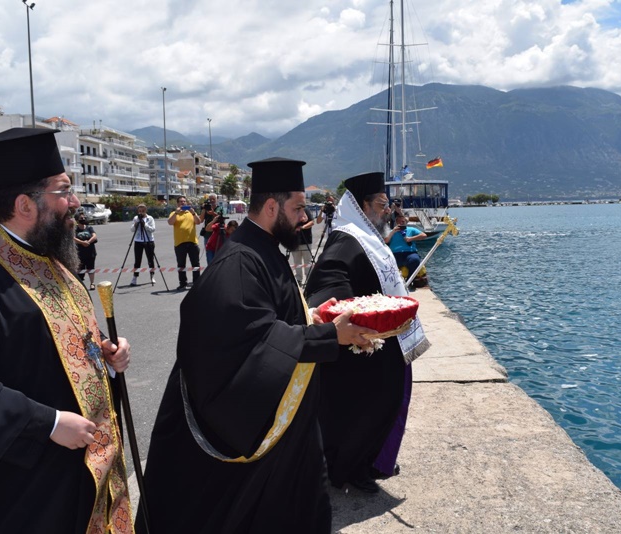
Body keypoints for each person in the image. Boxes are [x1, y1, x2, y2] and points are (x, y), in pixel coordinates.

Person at [136, 157, 375, 534]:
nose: (304, 218)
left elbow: (274, 319)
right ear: (270, 207)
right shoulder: (239, 263)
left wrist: (312, 317)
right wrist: (330, 335)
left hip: (288, 429)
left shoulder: (263, 248)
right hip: (249, 432)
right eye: (297, 208)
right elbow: (253, 340)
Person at [0, 127, 133, 533]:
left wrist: (104, 354)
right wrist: (47, 423)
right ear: (25, 204)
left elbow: (59, 343)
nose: (74, 203)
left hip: (85, 472)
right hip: (28, 486)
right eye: (64, 191)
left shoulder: (51, 260)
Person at [305, 172, 430, 494]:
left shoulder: (368, 235)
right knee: (363, 411)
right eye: (380, 204)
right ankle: (350, 470)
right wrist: (352, 310)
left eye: (387, 205)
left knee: (386, 405)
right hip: (362, 348)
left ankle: (375, 460)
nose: (386, 211)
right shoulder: (347, 238)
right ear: (361, 206)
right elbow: (329, 283)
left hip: (383, 343)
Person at [167, 195, 201, 290]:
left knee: (195, 264)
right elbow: (170, 222)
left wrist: (194, 213)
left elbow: (198, 222)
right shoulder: (174, 213)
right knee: (181, 265)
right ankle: (183, 283)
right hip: (180, 243)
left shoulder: (191, 213)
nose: (183, 203)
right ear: (177, 204)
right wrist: (176, 213)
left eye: (184, 202)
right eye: (181, 202)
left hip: (192, 242)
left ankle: (196, 283)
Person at [130, 204, 156, 286]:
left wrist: (145, 224)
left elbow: (153, 229)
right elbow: (132, 230)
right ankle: (135, 277)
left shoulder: (150, 218)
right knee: (137, 260)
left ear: (146, 211)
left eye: (143, 211)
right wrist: (135, 224)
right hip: (138, 240)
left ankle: (152, 276)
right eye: (139, 211)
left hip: (149, 240)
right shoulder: (136, 218)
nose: (141, 213)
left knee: (150, 259)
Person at [290, 205, 315, 284]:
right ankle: (299, 279)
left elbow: (312, 222)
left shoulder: (305, 210)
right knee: (297, 262)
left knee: (307, 261)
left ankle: (309, 279)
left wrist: (303, 227)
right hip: (295, 241)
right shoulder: (291, 211)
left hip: (306, 241)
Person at [74, 211, 98, 290]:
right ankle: (80, 285)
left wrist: (88, 242)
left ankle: (92, 283)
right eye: (81, 218)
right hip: (80, 253)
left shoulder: (89, 228)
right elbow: (73, 238)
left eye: (84, 218)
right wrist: (82, 242)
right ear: (77, 219)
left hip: (90, 252)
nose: (83, 219)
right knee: (80, 269)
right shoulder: (75, 229)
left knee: (91, 268)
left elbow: (94, 236)